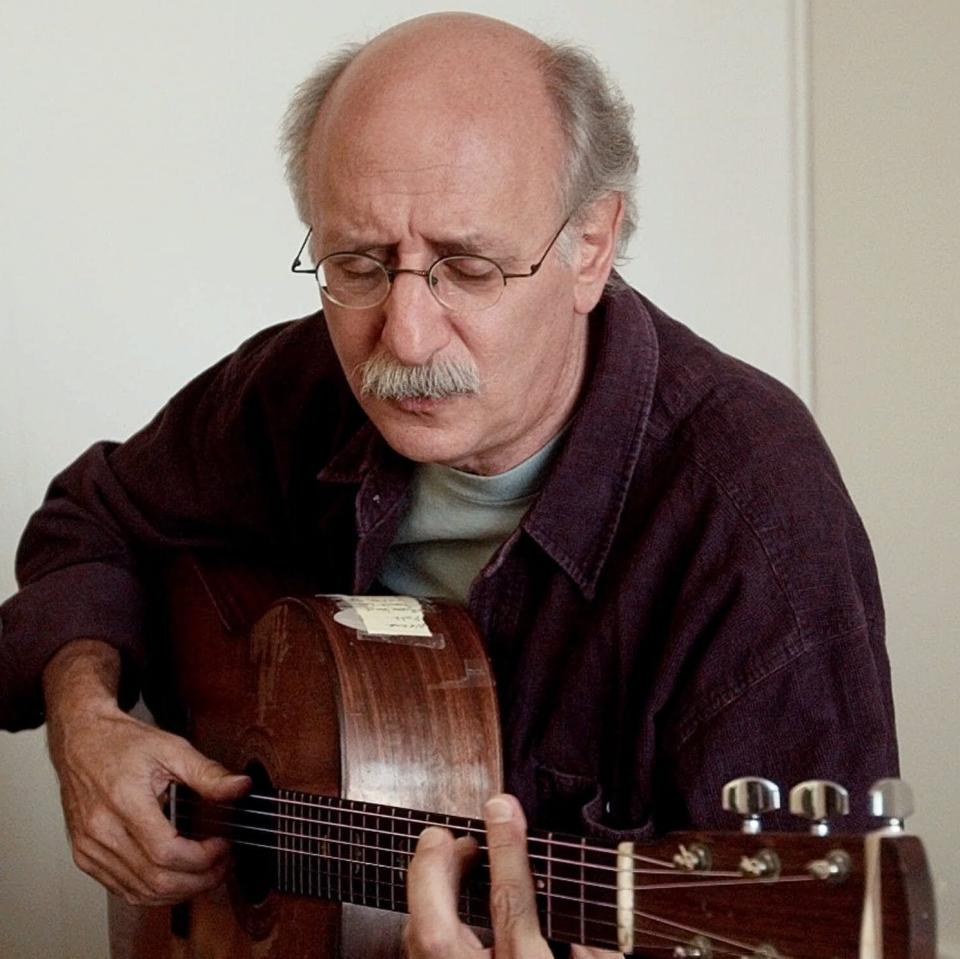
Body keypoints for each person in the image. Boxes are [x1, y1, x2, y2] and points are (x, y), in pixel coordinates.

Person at [0, 11, 898, 958]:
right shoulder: (297, 390)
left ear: (590, 244)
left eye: (466, 267)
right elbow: (89, 524)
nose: (407, 336)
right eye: (357, 264)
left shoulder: (753, 519)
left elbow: (816, 928)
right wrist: (85, 720)